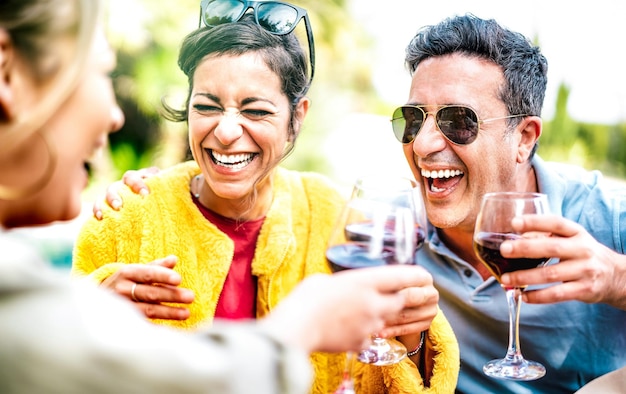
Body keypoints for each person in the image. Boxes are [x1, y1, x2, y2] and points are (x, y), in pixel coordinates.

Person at [0, 1, 455, 393]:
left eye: (256, 110)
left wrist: (411, 340)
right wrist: (95, 307)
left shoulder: (333, 216)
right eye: (206, 106)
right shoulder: (127, 214)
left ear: (298, 116)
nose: (227, 130)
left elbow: (380, 374)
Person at [390, 13, 626, 393]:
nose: (421, 145)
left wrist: (617, 278)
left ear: (524, 138)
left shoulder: (609, 218)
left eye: (458, 121)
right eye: (413, 119)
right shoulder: (393, 232)